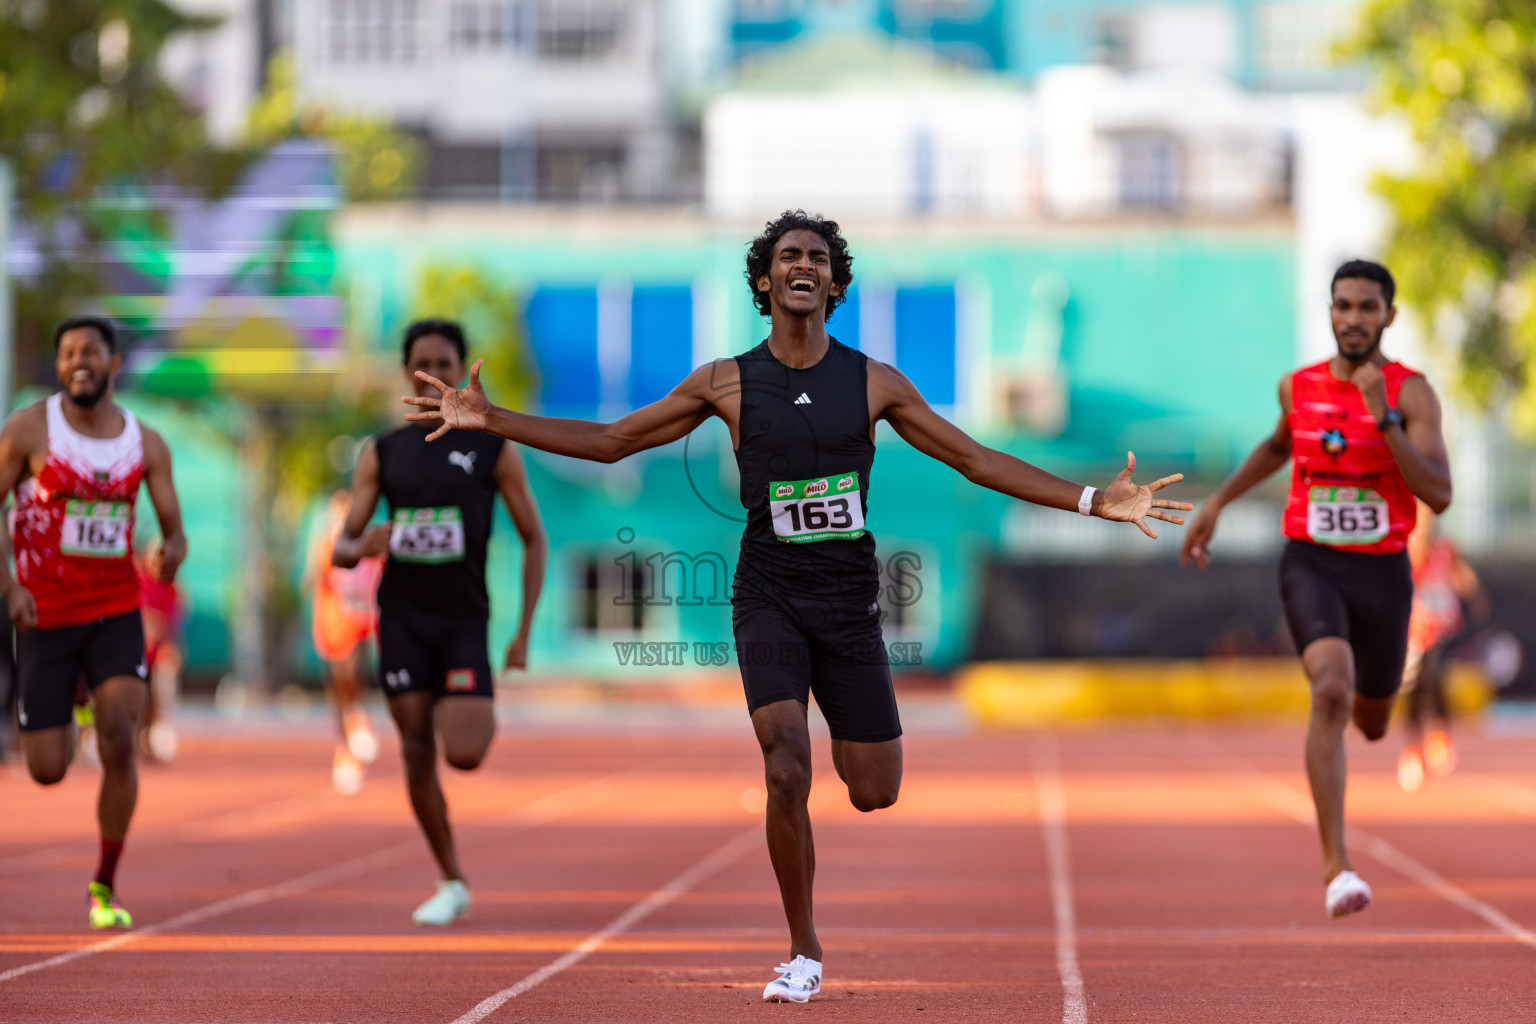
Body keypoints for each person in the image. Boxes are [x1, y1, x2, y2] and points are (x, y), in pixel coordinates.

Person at [403, 211, 1190, 1001]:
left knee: (873, 788)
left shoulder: (874, 381)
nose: (803, 265)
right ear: (764, 280)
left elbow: (976, 459)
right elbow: (614, 441)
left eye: (818, 256)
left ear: (836, 283)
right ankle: (803, 950)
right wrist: (492, 418)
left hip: (848, 606)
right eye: (788, 256)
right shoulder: (725, 381)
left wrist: (1094, 500)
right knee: (785, 760)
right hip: (767, 597)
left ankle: (840, 814)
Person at [1181, 259, 1452, 918]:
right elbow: (1279, 447)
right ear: (1330, 313)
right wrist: (1217, 502)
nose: (1353, 318)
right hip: (1313, 562)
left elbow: (1439, 493)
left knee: (1373, 720)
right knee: (1329, 689)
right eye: (1342, 306)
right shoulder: (1296, 388)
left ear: (1390, 315)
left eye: (1367, 307)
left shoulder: (1411, 394)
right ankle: (1338, 866)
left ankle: (1365, 716)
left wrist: (1382, 418)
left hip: (1384, 571)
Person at [333, 319, 547, 926]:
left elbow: (534, 538)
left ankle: (472, 703)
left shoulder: (493, 447)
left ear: (461, 370)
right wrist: (366, 543)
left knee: (466, 753)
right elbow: (342, 550)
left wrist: (523, 631)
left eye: (446, 363)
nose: (435, 373)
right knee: (416, 750)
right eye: (422, 363)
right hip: (401, 619)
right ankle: (451, 877)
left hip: (462, 621)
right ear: (408, 374)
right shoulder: (381, 452)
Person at [0, 316, 187, 929]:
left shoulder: (146, 442)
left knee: (119, 736)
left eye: (91, 351)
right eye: (68, 353)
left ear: (114, 362)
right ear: (58, 366)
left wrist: (169, 552)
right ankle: (76, 698)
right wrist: (10, 587)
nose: (79, 361)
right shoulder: (30, 428)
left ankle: (104, 884)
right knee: (47, 769)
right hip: (45, 613)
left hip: (114, 609)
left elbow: (174, 531)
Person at [1397, 502, 1486, 791]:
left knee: (1436, 676)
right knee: (1414, 686)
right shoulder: (1412, 546)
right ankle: (1412, 750)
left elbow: (1461, 575)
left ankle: (1439, 736)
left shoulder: (1447, 547)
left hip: (1442, 626)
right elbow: (1411, 563)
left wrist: (1474, 591)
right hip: (1415, 629)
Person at [306, 489, 384, 794]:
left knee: (355, 671)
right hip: (332, 622)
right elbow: (316, 575)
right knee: (337, 682)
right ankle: (344, 749)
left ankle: (358, 718)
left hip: (361, 620)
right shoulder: (327, 543)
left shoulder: (369, 542)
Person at [137, 537, 184, 764]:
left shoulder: (171, 589)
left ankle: (159, 729)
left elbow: (171, 628)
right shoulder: (136, 581)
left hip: (156, 655)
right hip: (133, 652)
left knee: (168, 666)